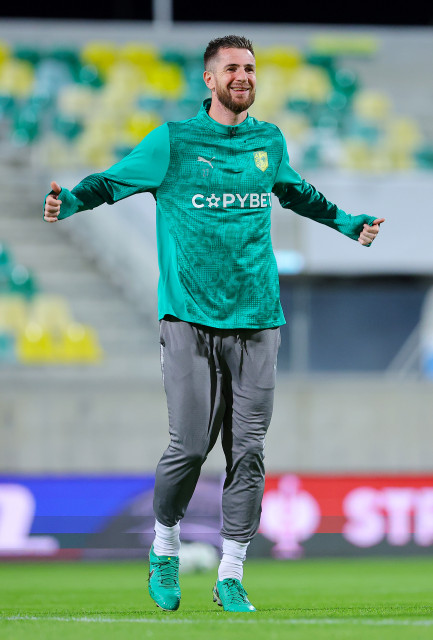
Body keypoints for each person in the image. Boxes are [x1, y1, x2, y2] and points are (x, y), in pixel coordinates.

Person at [43, 35, 384, 613]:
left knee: (248, 451)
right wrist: (71, 201)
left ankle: (231, 574)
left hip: (259, 317)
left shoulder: (267, 141)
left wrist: (348, 223)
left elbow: (298, 193)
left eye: (249, 67)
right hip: (188, 316)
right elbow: (111, 181)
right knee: (189, 446)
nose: (243, 76)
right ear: (210, 79)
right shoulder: (174, 142)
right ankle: (165, 547)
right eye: (232, 68)